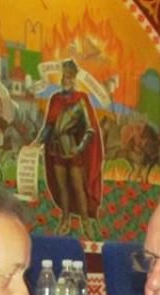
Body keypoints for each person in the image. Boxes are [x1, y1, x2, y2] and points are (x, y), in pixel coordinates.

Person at [34, 59, 103, 240]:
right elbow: (49, 126)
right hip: (55, 148)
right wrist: (37, 142)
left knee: (78, 187)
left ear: (74, 79)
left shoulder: (81, 99)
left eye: (70, 77)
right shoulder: (55, 99)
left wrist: (79, 148)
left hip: (72, 148)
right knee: (62, 187)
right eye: (65, 76)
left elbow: (89, 129)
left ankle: (85, 222)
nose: (67, 80)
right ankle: (65, 220)